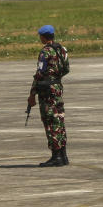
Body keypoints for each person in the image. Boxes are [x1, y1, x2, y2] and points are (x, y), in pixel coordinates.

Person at [28, 25, 70, 167]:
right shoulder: (61, 49)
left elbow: (39, 73)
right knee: (59, 120)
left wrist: (32, 94)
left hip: (46, 90)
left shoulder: (45, 51)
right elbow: (66, 69)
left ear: (43, 36)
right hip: (57, 88)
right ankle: (63, 155)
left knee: (50, 121)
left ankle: (56, 156)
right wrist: (56, 78)